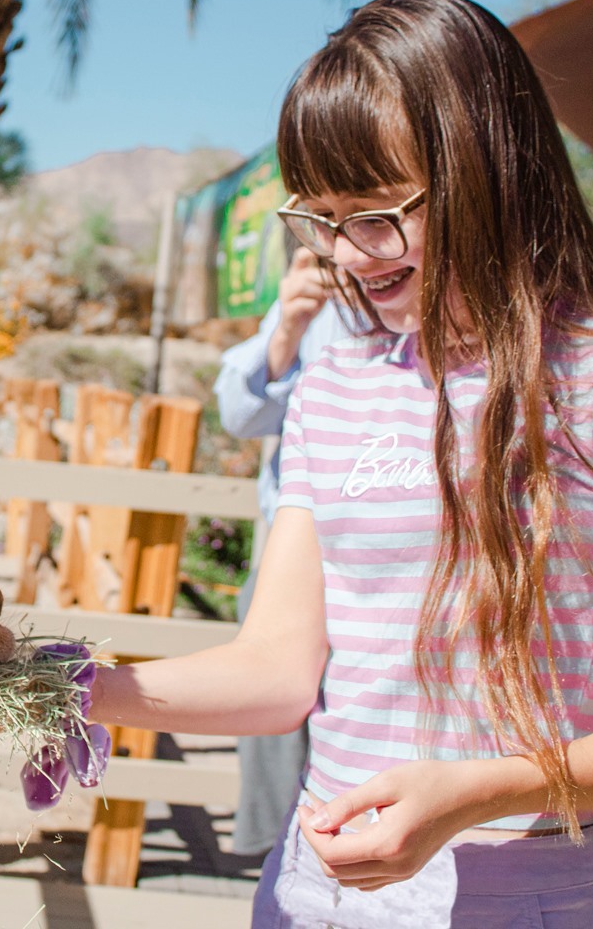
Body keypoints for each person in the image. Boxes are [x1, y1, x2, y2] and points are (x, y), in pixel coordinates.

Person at [0, 0, 593, 928]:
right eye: (319, 218)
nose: (349, 254)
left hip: (519, 899)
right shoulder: (338, 383)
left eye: (377, 214)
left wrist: (480, 793)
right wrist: (29, 697)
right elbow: (278, 672)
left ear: (491, 168)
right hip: (305, 894)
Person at [214, 246, 352, 855]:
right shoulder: (313, 294)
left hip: (387, 553)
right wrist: (289, 326)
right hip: (294, 546)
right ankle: (276, 853)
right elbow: (239, 414)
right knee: (267, 707)